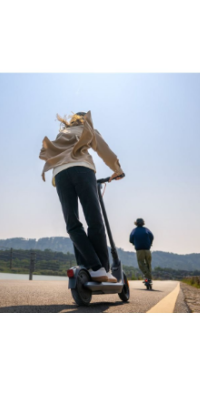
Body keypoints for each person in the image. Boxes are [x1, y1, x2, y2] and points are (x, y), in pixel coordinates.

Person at [39, 111, 124, 283]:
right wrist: (117, 170)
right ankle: (102, 269)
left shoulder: (62, 133)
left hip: (61, 174)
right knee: (94, 220)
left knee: (72, 224)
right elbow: (103, 149)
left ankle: (91, 266)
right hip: (82, 170)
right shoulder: (87, 127)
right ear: (85, 120)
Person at [129, 218, 154, 283]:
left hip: (139, 249)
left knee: (141, 263)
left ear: (136, 223)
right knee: (148, 263)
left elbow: (130, 240)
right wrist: (150, 244)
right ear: (143, 223)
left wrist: (135, 243)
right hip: (147, 249)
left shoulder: (134, 230)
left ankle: (147, 277)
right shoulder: (146, 229)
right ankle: (149, 278)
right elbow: (152, 237)